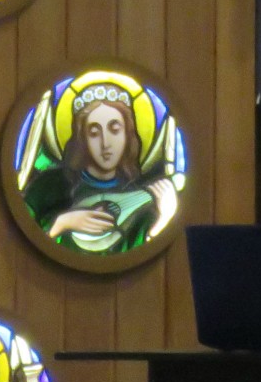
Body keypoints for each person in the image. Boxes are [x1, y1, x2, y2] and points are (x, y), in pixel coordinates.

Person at [22, 85, 178, 255]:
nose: (105, 143)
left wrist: (165, 218)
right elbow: (19, 243)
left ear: (128, 135)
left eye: (115, 130)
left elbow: (144, 257)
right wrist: (61, 224)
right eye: (94, 132)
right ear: (82, 138)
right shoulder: (48, 186)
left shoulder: (145, 195)